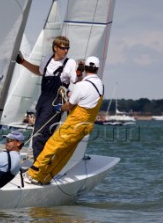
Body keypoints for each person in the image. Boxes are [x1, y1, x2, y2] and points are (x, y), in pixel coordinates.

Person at [23, 56, 104, 185]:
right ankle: (45, 178)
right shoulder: (100, 86)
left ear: (86, 68)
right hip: (86, 126)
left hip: (73, 125)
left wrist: (59, 108)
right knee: (64, 155)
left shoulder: (83, 85)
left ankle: (32, 174)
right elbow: (85, 98)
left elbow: (69, 105)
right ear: (97, 69)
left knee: (51, 146)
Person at [16, 35, 77, 159]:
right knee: (37, 133)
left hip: (55, 103)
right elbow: (39, 71)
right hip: (43, 100)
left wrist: (73, 90)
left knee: (40, 134)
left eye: (67, 48)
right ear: (55, 48)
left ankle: (39, 167)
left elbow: (76, 80)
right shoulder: (48, 58)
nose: (66, 51)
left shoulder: (70, 63)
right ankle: (41, 163)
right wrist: (23, 62)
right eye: (63, 48)